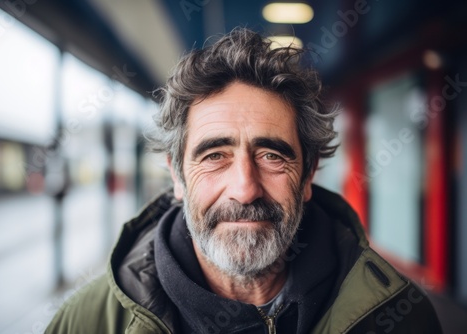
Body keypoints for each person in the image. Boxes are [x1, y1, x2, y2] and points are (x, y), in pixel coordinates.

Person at [45, 28, 442, 334]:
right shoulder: (86, 322)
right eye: (215, 156)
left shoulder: (398, 315)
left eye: (272, 156)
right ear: (177, 176)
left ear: (307, 174)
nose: (245, 188)